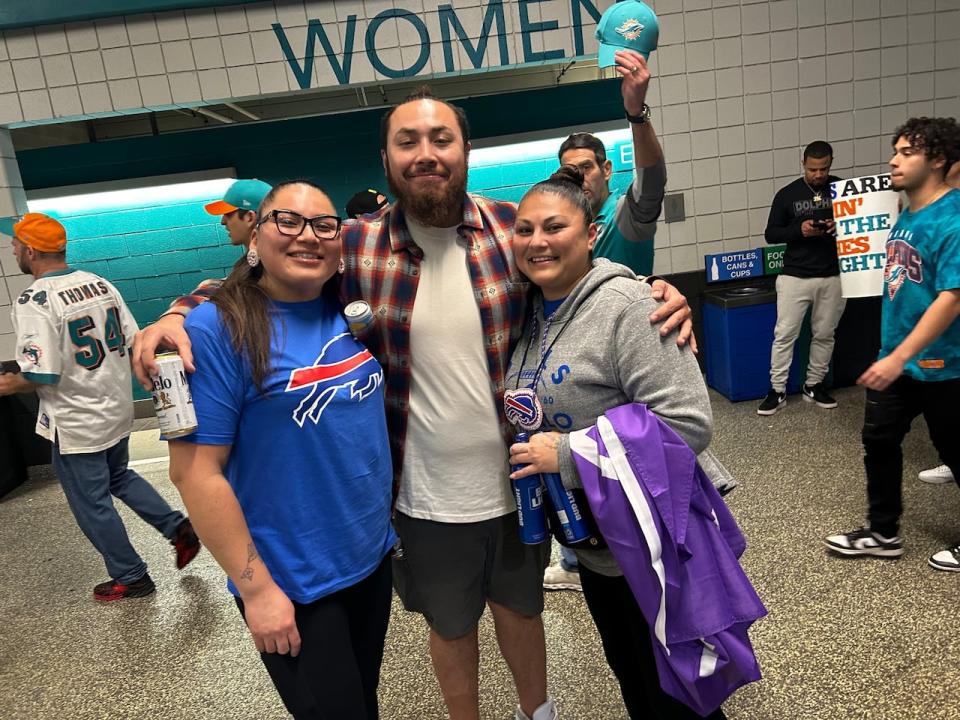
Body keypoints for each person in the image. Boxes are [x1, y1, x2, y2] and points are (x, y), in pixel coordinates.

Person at [132, 80, 694, 720]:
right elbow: (266, 273)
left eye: (441, 138)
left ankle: (540, 714)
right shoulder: (355, 244)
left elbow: (582, 272)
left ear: (464, 150)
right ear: (388, 160)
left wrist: (649, 290)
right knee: (451, 626)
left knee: (523, 609)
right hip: (420, 494)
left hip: (520, 478)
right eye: (407, 141)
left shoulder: (512, 231)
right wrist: (176, 314)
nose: (425, 153)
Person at [504, 166, 741, 719]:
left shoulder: (630, 307)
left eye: (554, 227)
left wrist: (562, 455)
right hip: (596, 543)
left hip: (654, 538)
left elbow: (686, 422)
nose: (537, 241)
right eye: (525, 229)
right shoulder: (531, 312)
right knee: (635, 673)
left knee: (682, 685)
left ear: (590, 234)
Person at [167, 181, 396, 718]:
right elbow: (195, 474)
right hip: (291, 581)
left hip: (368, 559)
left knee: (365, 702)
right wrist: (257, 591)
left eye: (323, 225)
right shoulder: (216, 328)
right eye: (287, 222)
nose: (307, 237)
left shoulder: (345, 310)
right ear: (256, 236)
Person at [0, 213, 200, 602]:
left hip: (75, 421)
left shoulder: (34, 300)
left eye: (14, 244)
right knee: (119, 477)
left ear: (29, 250)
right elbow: (131, 340)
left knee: (91, 503)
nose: (12, 249)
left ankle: (131, 576)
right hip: (113, 407)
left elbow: (41, 375)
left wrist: (7, 384)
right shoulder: (98, 283)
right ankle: (177, 528)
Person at [545, 48, 666, 593]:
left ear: (605, 172)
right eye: (569, 170)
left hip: (631, 361)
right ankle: (578, 558)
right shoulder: (555, 236)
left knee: (634, 458)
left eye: (586, 168)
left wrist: (636, 113)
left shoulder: (622, 217)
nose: (578, 178)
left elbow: (654, 180)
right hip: (579, 377)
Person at [825, 117, 960, 573]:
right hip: (896, 358)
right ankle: (883, 532)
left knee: (955, 448)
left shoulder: (954, 217)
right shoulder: (908, 213)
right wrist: (892, 353)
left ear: (938, 160)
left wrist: (901, 355)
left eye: (907, 152)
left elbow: (952, 298)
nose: (893, 160)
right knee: (879, 440)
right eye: (895, 150)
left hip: (945, 364)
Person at [758, 141, 846, 415]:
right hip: (795, 275)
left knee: (825, 334)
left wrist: (838, 225)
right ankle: (778, 389)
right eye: (813, 169)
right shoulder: (787, 194)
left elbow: (861, 225)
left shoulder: (842, 190)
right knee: (784, 334)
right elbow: (771, 234)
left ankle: (814, 384)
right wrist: (800, 229)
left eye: (824, 169)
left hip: (833, 274)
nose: (819, 175)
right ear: (803, 164)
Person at [204, 178, 273, 247]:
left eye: (228, 214)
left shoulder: (269, 257)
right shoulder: (278, 256)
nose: (223, 222)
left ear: (250, 218)